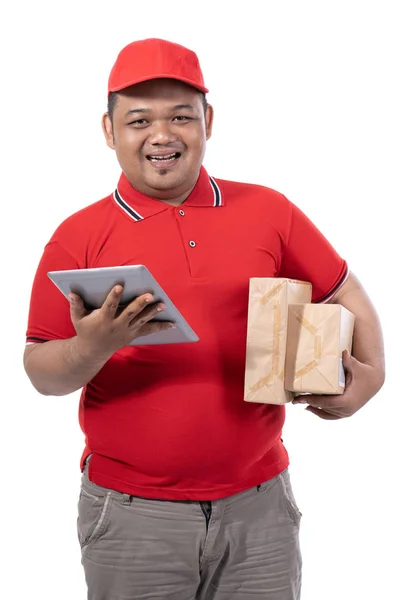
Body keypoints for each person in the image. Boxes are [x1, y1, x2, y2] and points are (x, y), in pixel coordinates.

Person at [23, 38, 385, 600]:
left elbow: (346, 291)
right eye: (139, 119)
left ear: (207, 121)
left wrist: (373, 375)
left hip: (260, 507)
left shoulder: (269, 210)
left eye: (181, 117)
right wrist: (91, 347)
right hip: (131, 517)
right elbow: (42, 372)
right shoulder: (78, 236)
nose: (162, 135)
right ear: (109, 130)